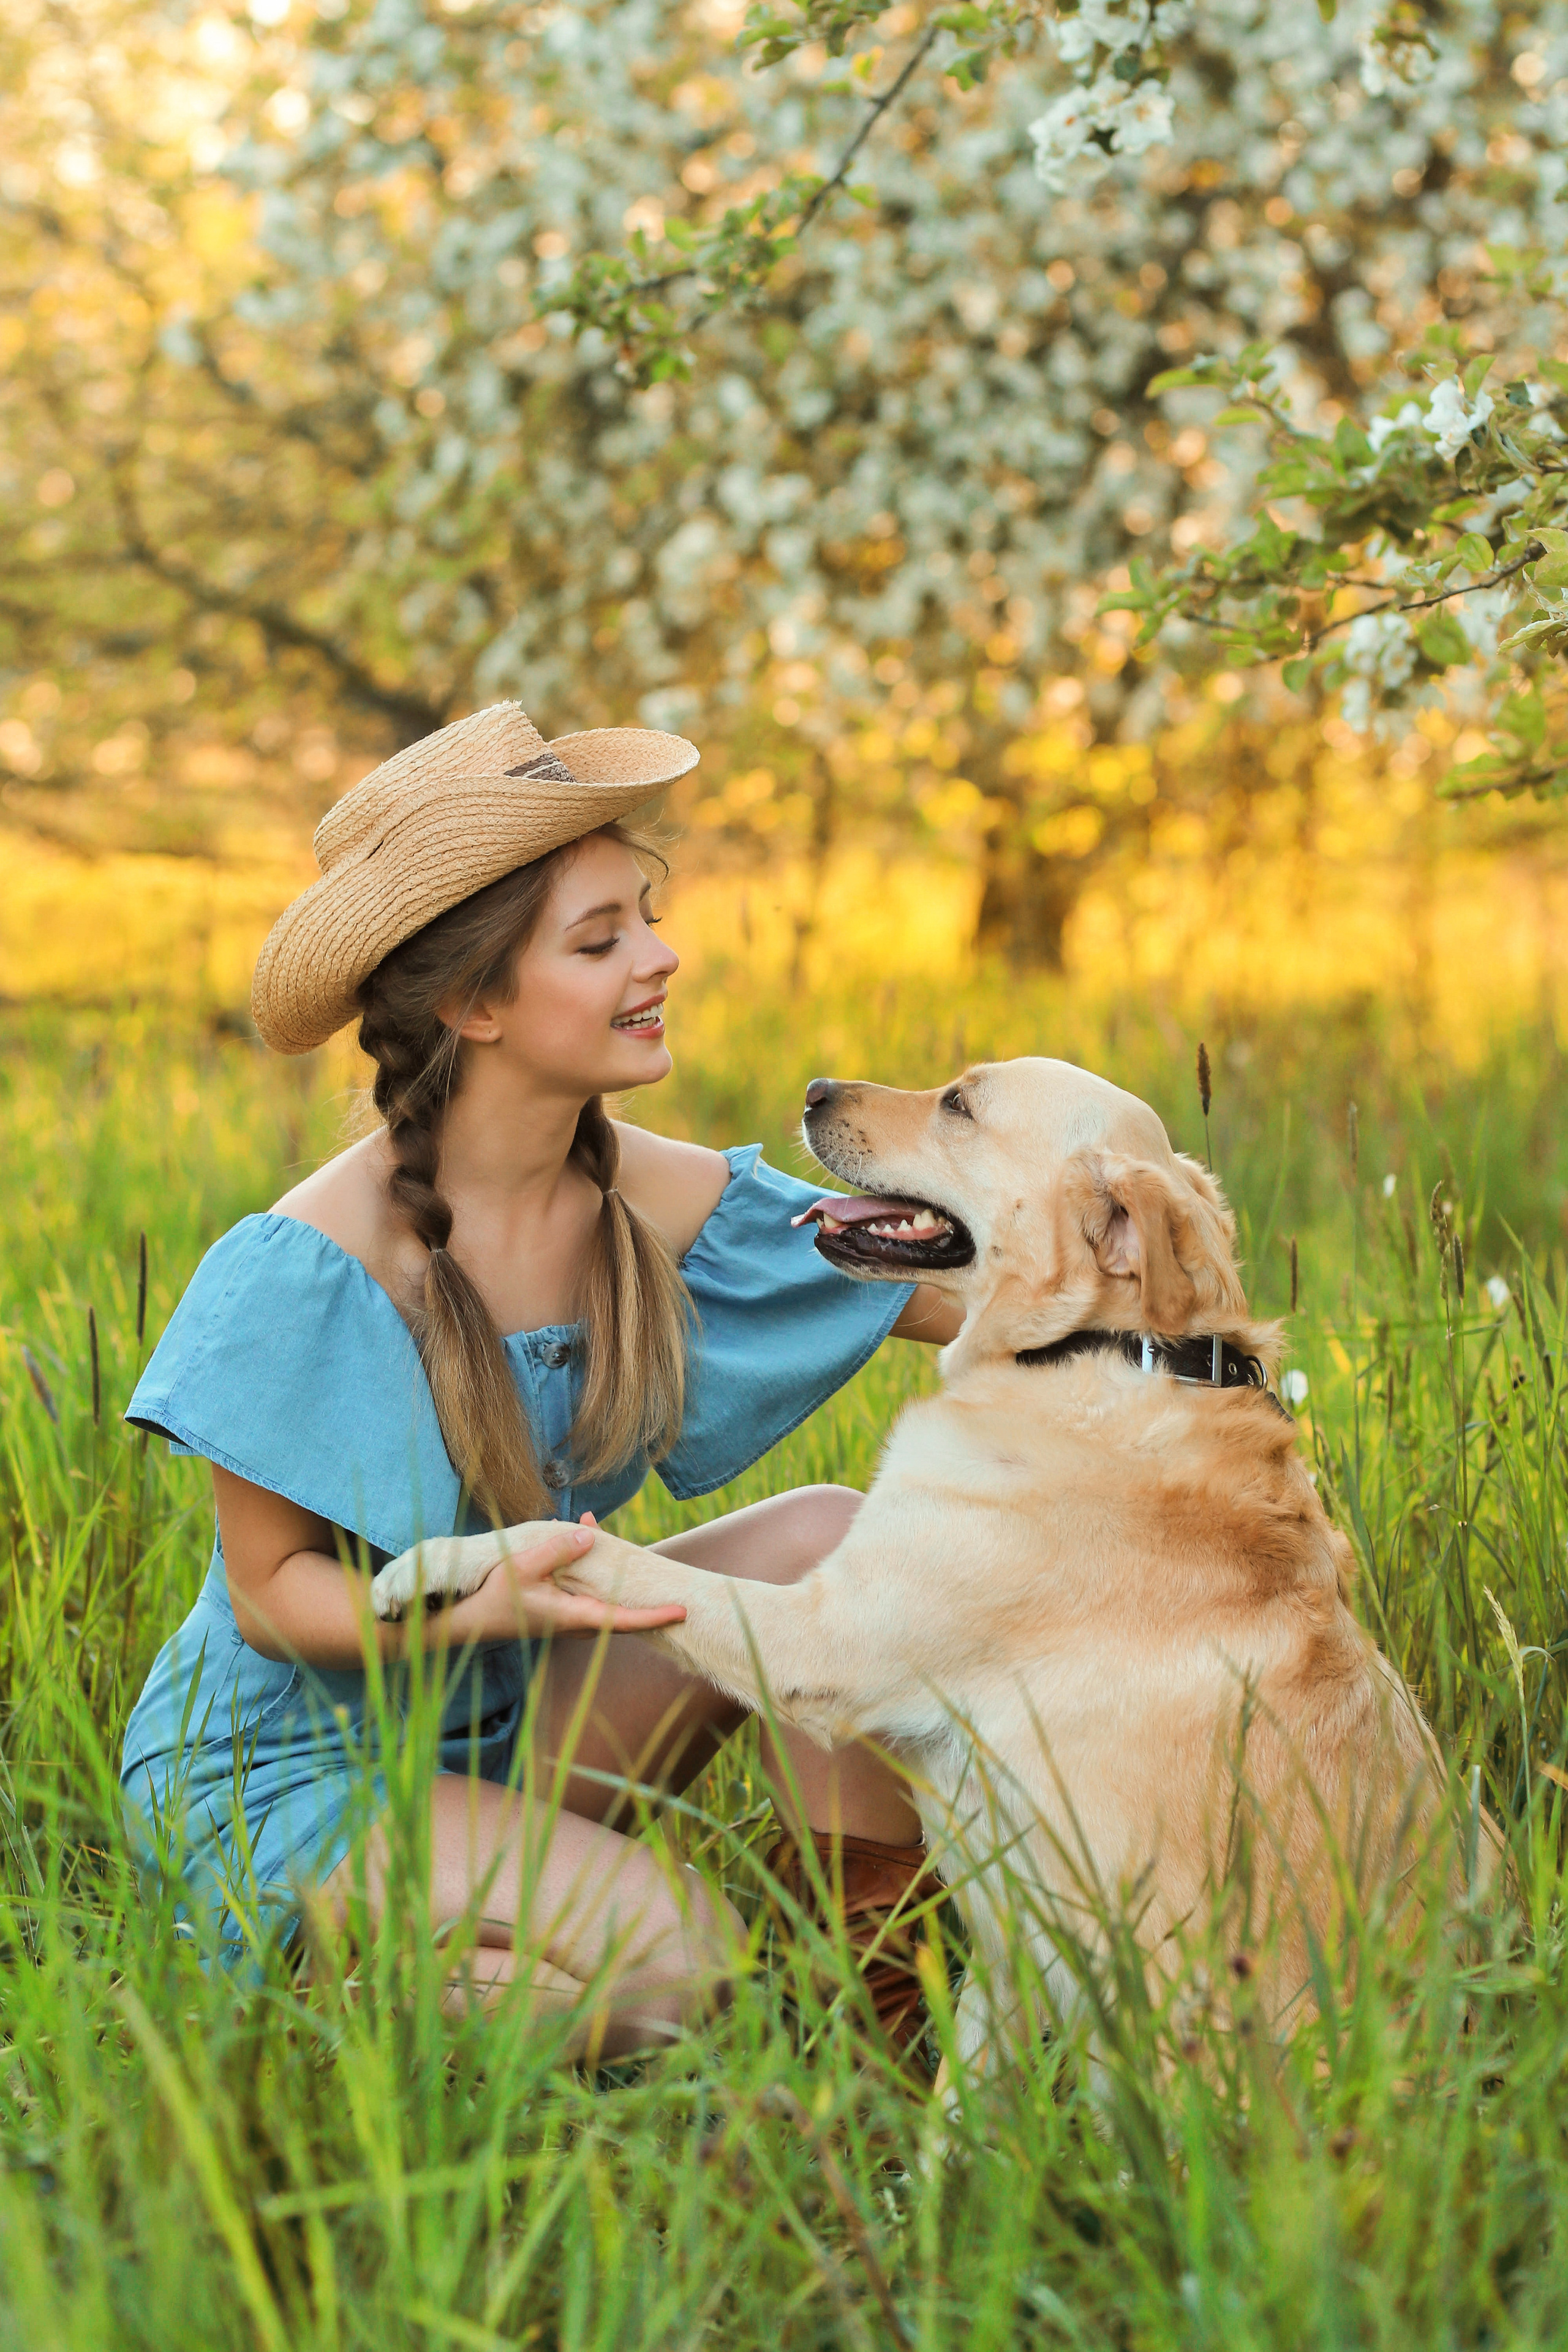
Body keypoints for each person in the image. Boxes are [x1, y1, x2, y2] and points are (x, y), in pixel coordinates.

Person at [120, 701, 960, 2060]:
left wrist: (1165, 1294)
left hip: (507, 1713)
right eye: (599, 939)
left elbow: (952, 1286)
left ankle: (867, 2023)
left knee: (829, 1540)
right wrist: (479, 1610)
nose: (660, 957)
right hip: (298, 1769)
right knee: (684, 1973)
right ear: (475, 1004)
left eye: (647, 919)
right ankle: (311, 2019)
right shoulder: (311, 1264)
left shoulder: (647, 1194)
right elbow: (273, 1598)